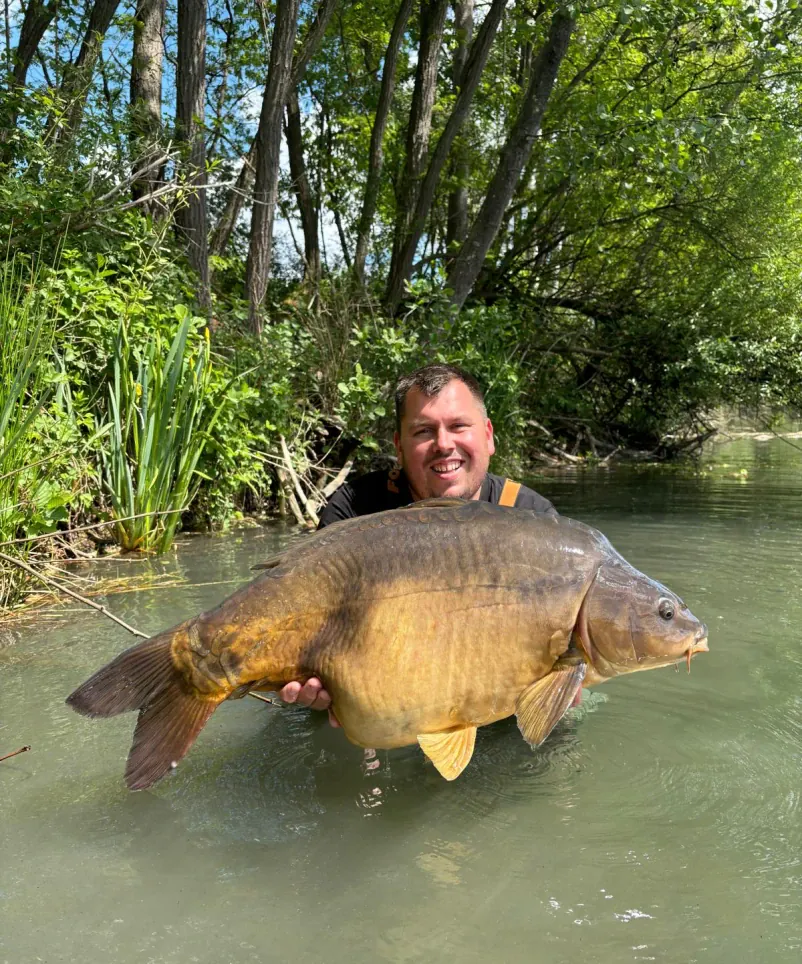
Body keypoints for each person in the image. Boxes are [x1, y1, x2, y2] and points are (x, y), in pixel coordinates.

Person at [278, 363, 557, 721]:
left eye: (459, 426)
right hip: (378, 695)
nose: (443, 444)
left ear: (488, 435)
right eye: (424, 431)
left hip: (497, 701)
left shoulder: (532, 517)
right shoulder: (355, 510)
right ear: (399, 445)